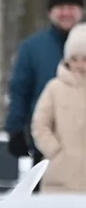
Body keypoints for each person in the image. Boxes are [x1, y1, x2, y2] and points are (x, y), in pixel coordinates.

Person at [6, 0, 84, 162]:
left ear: (81, 11)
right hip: (46, 144)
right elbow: (20, 91)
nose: (66, 13)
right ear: (51, 13)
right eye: (60, 8)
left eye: (71, 7)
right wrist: (15, 129)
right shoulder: (32, 48)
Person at [30, 23, 86, 193]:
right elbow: (39, 124)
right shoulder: (54, 88)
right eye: (74, 58)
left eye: (85, 59)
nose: (80, 64)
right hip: (59, 179)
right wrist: (54, 152)